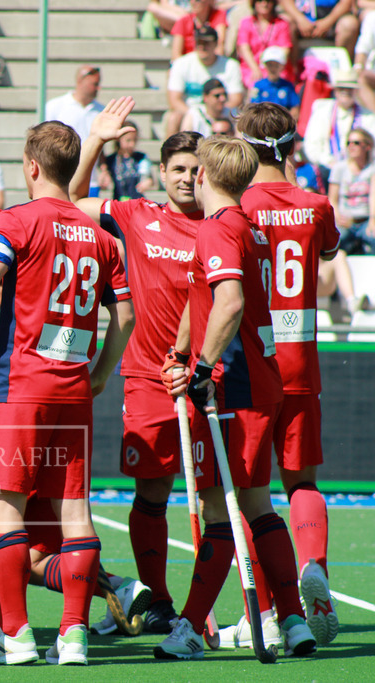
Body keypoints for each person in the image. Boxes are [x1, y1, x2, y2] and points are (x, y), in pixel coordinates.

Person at [0, 113, 133, 666]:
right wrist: (101, 372)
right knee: (76, 514)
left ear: (30, 167)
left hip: (20, 385)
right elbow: (126, 315)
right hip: (73, 387)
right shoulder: (102, 237)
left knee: (6, 509)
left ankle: (17, 634)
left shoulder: (17, 220)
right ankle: (73, 635)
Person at [155, 136, 316, 660]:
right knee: (255, 502)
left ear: (203, 176)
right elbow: (199, 295)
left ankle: (189, 628)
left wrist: (201, 368)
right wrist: (179, 352)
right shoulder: (246, 226)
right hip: (259, 379)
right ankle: (293, 620)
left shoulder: (218, 228)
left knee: (217, 508)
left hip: (234, 385)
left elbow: (228, 301)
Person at [71, 105, 206, 633]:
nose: (188, 179)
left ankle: (227, 611)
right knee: (151, 494)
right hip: (148, 379)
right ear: (162, 173)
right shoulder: (135, 214)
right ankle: (161, 605)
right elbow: (69, 203)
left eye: (196, 170)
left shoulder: (220, 226)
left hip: (206, 380)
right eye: (179, 170)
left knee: (220, 500)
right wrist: (95, 142)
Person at [238, 102, 341, 648]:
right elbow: (328, 251)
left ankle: (267, 610)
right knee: (302, 481)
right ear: (291, 147)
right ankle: (312, 565)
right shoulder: (316, 204)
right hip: (301, 359)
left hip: (255, 361)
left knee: (251, 494)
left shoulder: (238, 204)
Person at [166, 25, 244, 137]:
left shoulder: (230, 65)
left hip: (221, 110)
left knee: (240, 118)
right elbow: (174, 100)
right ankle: (174, 148)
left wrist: (216, 111)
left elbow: (236, 100)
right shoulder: (181, 63)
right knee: (173, 118)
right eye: (199, 43)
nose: (202, 47)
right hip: (190, 111)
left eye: (206, 43)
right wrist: (196, 115)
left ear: (216, 44)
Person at [303, 69, 375, 176]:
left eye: (349, 89)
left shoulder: (368, 116)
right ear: (335, 90)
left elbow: (372, 147)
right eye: (341, 88)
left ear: (356, 91)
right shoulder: (322, 111)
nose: (345, 92)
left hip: (359, 171)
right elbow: (312, 146)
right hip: (327, 169)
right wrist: (329, 162)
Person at [328, 127, 375, 254]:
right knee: (335, 240)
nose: (351, 146)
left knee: (373, 237)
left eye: (356, 143)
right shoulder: (339, 168)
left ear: (367, 146)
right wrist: (338, 218)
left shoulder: (372, 169)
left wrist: (373, 220)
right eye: (349, 143)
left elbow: (373, 197)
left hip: (365, 220)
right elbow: (332, 199)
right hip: (344, 219)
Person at [237, 0, 294, 91]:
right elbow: (244, 48)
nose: (264, 4)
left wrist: (271, 69)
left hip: (275, 67)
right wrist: (255, 69)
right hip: (251, 67)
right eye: (260, 1)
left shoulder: (281, 23)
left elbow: (285, 49)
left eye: (268, 1)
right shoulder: (246, 22)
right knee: (253, 83)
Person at [44, 65, 105, 142]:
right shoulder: (54, 106)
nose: (98, 88)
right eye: (95, 84)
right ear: (80, 80)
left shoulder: (102, 111)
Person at [279, 0, 358, 58]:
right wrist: (300, 19)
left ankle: (343, 68)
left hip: (332, 21)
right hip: (300, 21)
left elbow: (346, 2)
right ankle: (292, 70)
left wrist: (328, 22)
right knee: (284, 23)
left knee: (349, 24)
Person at [100, 121, 154, 200]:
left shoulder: (141, 157)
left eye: (134, 140)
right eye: (128, 140)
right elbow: (104, 180)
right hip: (119, 201)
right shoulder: (111, 160)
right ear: (118, 139)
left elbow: (149, 178)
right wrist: (105, 178)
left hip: (137, 201)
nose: (132, 144)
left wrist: (147, 182)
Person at [250, 47, 300, 119]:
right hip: (263, 121)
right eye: (270, 65)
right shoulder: (258, 85)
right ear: (265, 65)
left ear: (282, 66)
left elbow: (295, 108)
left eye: (276, 65)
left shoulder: (288, 86)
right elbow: (254, 108)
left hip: (283, 121)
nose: (273, 68)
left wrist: (286, 121)